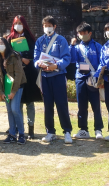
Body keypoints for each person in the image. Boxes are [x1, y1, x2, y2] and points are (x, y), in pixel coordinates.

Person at [33, 16, 73, 144]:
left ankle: (67, 131)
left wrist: (55, 66)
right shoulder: (39, 40)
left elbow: (66, 58)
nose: (47, 27)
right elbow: (35, 59)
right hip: (45, 77)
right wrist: (39, 64)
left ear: (55, 26)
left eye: (49, 25)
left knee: (62, 104)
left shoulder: (61, 40)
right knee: (47, 105)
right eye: (45, 25)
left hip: (58, 76)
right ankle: (50, 131)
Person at [5, 15, 42, 139]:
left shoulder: (30, 38)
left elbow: (35, 53)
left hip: (29, 72)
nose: (18, 25)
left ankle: (31, 128)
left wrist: (29, 59)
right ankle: (17, 127)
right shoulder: (10, 38)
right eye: (16, 23)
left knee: (30, 102)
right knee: (17, 102)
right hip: (15, 74)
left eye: (20, 23)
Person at [70, 23, 104, 139]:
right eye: (80, 34)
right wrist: (71, 45)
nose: (82, 35)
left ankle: (98, 130)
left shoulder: (97, 46)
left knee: (96, 105)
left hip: (93, 78)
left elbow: (102, 62)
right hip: (80, 78)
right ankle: (83, 129)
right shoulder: (76, 47)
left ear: (90, 33)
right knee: (81, 106)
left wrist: (97, 74)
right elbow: (72, 59)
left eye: (85, 33)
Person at [0, 37, 27, 144]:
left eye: (1, 43)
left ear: (6, 44)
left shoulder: (14, 56)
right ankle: (12, 134)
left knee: (15, 109)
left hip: (17, 86)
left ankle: (21, 134)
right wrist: (1, 92)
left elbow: (18, 75)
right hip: (6, 87)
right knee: (9, 110)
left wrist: (13, 92)